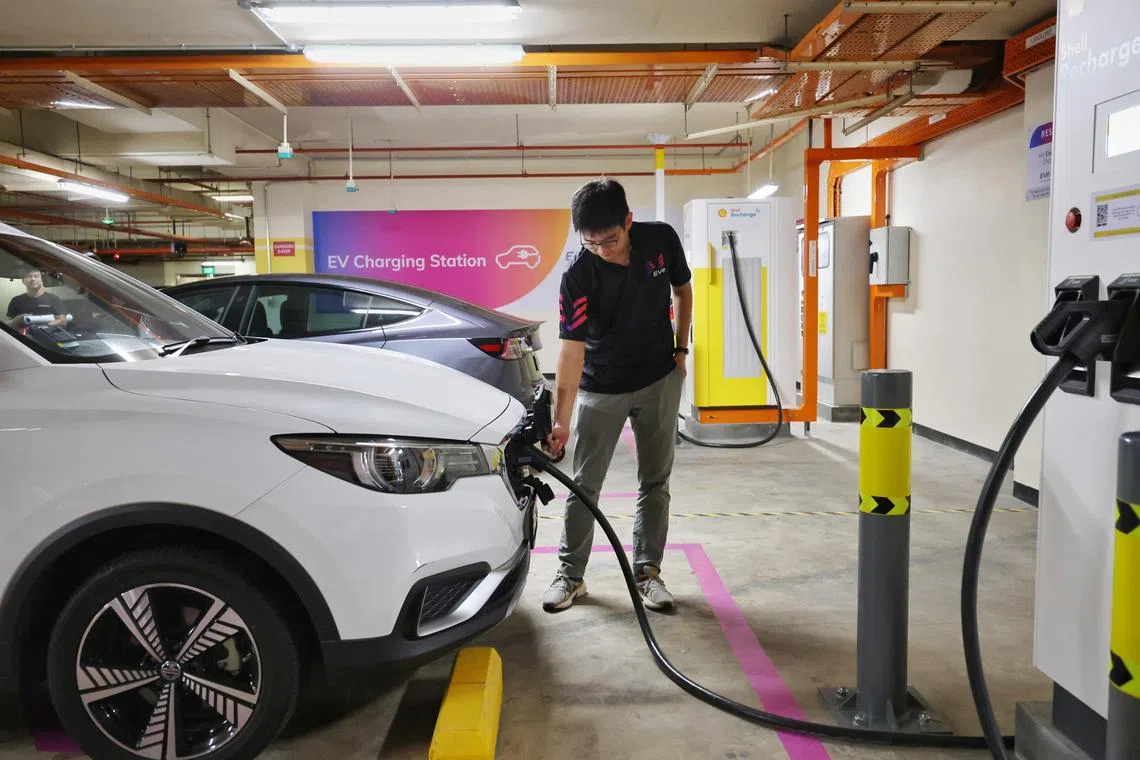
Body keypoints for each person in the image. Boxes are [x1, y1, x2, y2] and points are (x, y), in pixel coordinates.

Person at [542, 178, 693, 613]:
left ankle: (648, 573)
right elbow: (571, 351)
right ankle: (570, 576)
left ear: (628, 221)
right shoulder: (578, 277)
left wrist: (681, 349)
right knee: (584, 485)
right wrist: (562, 420)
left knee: (655, 481)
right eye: (590, 243)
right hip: (601, 388)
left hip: (658, 379)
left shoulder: (660, 240)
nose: (602, 249)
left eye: (609, 239)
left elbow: (683, 290)